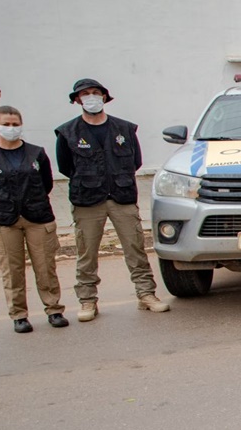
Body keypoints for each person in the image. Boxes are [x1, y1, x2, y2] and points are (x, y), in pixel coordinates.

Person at [54, 78, 168, 320]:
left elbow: (135, 161)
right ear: (77, 100)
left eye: (96, 93)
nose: (91, 97)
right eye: (85, 94)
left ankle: (146, 294)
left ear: (105, 97)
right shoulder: (67, 132)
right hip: (87, 199)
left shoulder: (124, 129)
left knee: (135, 248)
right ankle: (87, 301)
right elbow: (66, 166)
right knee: (87, 253)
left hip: (122, 196)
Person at [0, 105, 67, 334]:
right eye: (6, 124)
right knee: (11, 269)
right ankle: (19, 315)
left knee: (45, 266)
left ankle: (54, 310)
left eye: (15, 124)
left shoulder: (36, 153)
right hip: (4, 219)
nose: (11, 128)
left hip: (38, 216)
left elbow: (46, 183)